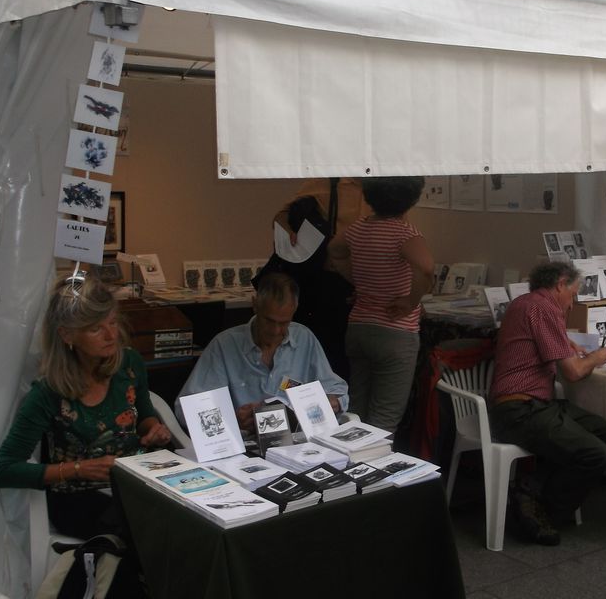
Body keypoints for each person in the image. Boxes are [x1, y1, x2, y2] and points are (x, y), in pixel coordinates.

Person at [0, 274, 173, 539]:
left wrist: (154, 428)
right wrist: (78, 469)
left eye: (112, 323)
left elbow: (144, 413)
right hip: (78, 498)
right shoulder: (48, 393)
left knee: (191, 519)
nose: (111, 335)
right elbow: (5, 470)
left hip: (137, 481)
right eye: (95, 328)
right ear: (67, 334)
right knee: (153, 530)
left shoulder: (130, 363)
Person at [488, 261, 606, 546]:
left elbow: (542, 341)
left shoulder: (526, 302)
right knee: (596, 454)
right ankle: (541, 511)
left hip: (528, 403)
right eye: (573, 294)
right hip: (518, 409)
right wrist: (597, 356)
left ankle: (531, 488)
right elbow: (574, 373)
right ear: (560, 284)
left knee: (599, 429)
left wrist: (565, 341)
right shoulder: (545, 308)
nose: (571, 304)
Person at [176, 272, 348, 433]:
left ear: (294, 312)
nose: (275, 331)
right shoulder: (224, 345)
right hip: (244, 443)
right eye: (269, 321)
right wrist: (231, 420)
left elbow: (336, 389)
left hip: (297, 441)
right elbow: (187, 408)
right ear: (255, 305)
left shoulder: (304, 338)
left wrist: (333, 402)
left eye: (284, 323)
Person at [331, 176, 434, 433]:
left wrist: (355, 279)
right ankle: (376, 469)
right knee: (384, 419)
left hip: (359, 328)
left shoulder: (358, 229)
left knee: (356, 412)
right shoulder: (405, 233)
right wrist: (411, 301)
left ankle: (351, 467)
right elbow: (427, 268)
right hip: (396, 332)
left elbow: (334, 250)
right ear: (412, 197)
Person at [269, 177, 373, 378]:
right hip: (330, 284)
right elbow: (282, 216)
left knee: (358, 367)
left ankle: (343, 403)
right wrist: (289, 233)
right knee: (327, 356)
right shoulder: (327, 181)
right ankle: (317, 402)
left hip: (368, 285)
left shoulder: (386, 186)